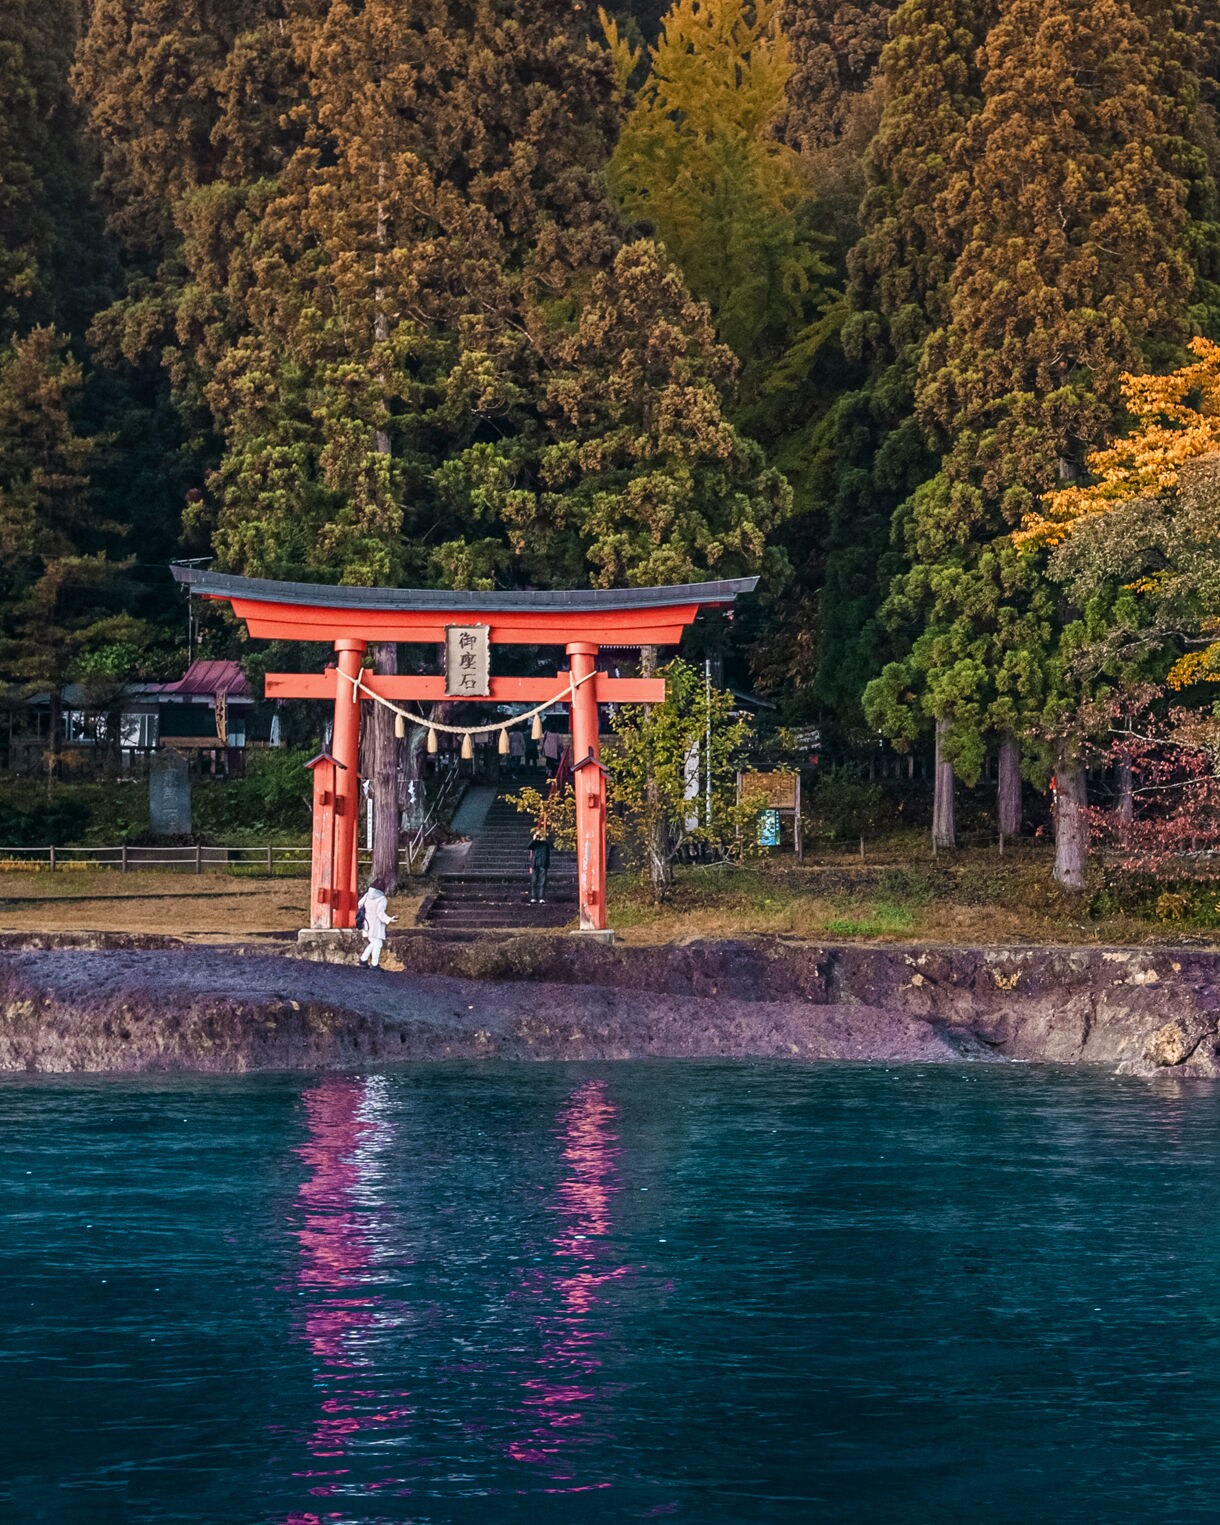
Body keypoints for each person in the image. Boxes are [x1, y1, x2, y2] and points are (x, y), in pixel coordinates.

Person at [357, 879, 396, 968]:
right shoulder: (382, 899)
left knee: (375, 943)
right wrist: (390, 919)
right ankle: (373, 964)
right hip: (376, 925)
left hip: (367, 923)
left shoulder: (367, 895)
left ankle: (364, 960)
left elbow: (359, 904)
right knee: (377, 943)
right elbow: (380, 914)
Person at [527, 822, 551, 904]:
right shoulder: (535, 843)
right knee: (534, 881)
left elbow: (551, 846)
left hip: (543, 863)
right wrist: (534, 839)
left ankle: (541, 897)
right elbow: (529, 846)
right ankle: (534, 897)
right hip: (535, 863)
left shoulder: (545, 843)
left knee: (543, 881)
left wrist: (545, 839)